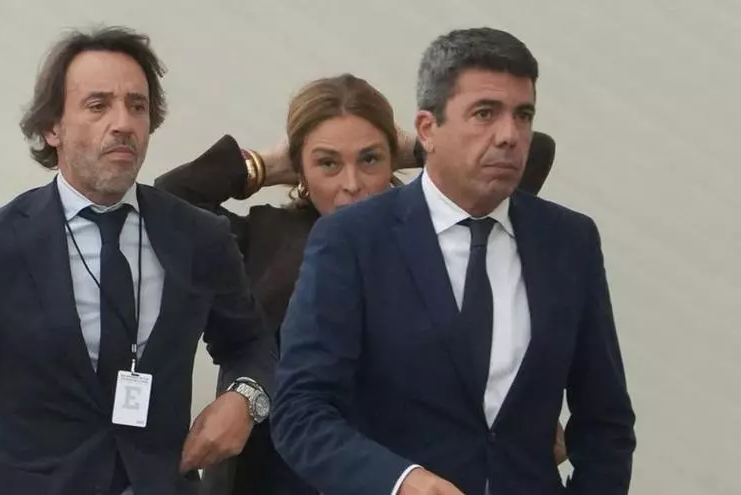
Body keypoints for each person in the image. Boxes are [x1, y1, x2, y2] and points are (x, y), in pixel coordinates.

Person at [0, 26, 275, 495]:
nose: (123, 123)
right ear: (53, 128)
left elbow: (250, 345)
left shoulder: (199, 237)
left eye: (137, 106)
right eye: (98, 105)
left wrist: (245, 398)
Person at [154, 74, 560, 495]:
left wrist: (426, 147)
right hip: (267, 477)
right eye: (328, 163)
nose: (351, 184)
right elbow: (170, 201)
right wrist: (264, 164)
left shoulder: (436, 234)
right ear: (300, 170)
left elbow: (535, 153)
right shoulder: (263, 236)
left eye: (370, 159)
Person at [271, 27, 636, 495]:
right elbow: (300, 411)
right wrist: (399, 482)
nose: (509, 135)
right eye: (485, 113)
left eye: (523, 115)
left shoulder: (569, 240)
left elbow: (605, 420)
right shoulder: (353, 239)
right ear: (427, 129)